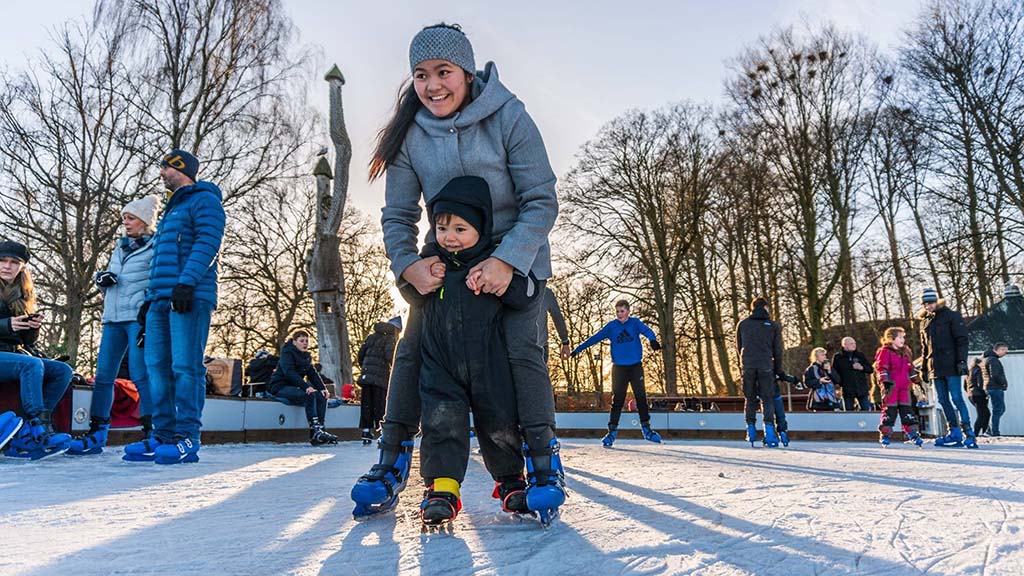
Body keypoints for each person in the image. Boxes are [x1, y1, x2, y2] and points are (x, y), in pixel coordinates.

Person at [352, 23, 561, 518]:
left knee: (521, 358)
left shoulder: (509, 117)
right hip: (442, 266)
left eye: (443, 71)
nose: (432, 85)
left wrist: (507, 260)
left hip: (515, 259)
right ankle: (392, 457)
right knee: (412, 353)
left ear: (465, 72)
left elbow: (540, 199)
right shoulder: (410, 135)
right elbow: (398, 215)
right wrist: (408, 266)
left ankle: (539, 461)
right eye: (420, 75)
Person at [123, 149, 226, 464]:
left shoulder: (204, 201)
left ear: (180, 168)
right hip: (160, 300)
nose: (161, 172)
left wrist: (187, 282)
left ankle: (187, 437)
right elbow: (160, 259)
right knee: (157, 368)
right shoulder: (170, 210)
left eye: (165, 166)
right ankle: (163, 435)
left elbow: (208, 242)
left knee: (185, 367)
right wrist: (150, 298)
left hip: (188, 297)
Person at [68, 196, 160, 456]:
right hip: (112, 318)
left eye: (130, 218)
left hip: (136, 318)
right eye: (124, 219)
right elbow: (112, 277)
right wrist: (102, 279)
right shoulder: (119, 248)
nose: (125, 223)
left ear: (144, 221)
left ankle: (151, 432)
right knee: (104, 376)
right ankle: (97, 432)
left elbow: (154, 282)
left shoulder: (155, 247)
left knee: (141, 375)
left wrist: (147, 309)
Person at [0, 240, 73, 459]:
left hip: (11, 355)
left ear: (22, 267)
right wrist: (7, 324)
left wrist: (33, 328)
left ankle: (24, 433)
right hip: (10, 358)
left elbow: (27, 341)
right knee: (31, 364)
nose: (7, 266)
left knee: (62, 371)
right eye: (2, 260)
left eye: (14, 262)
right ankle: (38, 431)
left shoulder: (24, 294)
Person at [572, 299, 662, 447]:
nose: (619, 314)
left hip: (635, 367)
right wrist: (578, 349)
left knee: (641, 397)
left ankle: (647, 430)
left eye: (622, 311)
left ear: (628, 311)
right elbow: (595, 338)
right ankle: (612, 432)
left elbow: (647, 330)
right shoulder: (612, 327)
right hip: (619, 368)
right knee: (617, 400)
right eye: (617, 311)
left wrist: (652, 340)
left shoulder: (635, 323)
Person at [918, 288, 976, 448]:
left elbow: (962, 340)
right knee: (943, 400)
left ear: (937, 301)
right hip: (935, 367)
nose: (928, 306)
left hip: (952, 365)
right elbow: (925, 348)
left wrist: (961, 361)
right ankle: (954, 433)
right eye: (925, 304)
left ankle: (969, 433)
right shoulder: (925, 321)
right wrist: (924, 368)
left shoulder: (952, 316)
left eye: (930, 303)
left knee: (957, 398)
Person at [267, 330, 338, 446]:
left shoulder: (306, 357)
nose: (305, 343)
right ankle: (315, 431)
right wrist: (305, 387)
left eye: (306, 341)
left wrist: (322, 388)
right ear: (294, 342)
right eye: (301, 341)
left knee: (321, 396)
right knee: (309, 394)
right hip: (279, 386)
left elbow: (312, 373)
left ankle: (320, 429)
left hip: (294, 386)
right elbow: (289, 373)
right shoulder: (287, 354)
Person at [736, 296, 784, 447]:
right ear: (765, 307)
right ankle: (769, 432)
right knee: (767, 398)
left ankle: (750, 429)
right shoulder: (773, 326)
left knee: (750, 398)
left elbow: (739, 347)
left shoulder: (743, 324)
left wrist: (744, 363)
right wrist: (779, 370)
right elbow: (778, 351)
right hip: (765, 365)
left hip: (748, 365)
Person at [873, 327, 925, 447]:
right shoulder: (885, 351)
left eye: (903, 337)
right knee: (890, 410)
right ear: (891, 339)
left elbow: (910, 368)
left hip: (905, 387)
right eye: (900, 337)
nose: (903, 339)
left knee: (907, 410)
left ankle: (912, 432)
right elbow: (881, 368)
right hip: (891, 386)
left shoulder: (906, 352)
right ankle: (885, 433)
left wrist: (916, 380)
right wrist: (885, 380)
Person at [356, 318, 401, 444]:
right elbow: (391, 357)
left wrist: (365, 368)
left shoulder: (371, 337)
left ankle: (366, 430)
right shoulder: (390, 339)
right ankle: (382, 431)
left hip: (366, 376)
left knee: (366, 404)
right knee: (379, 404)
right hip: (380, 377)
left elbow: (361, 354)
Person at [832, 337, 874, 411]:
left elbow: (870, 369)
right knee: (848, 412)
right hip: (847, 389)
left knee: (866, 410)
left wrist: (862, 367)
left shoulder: (860, 355)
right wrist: (838, 384)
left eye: (854, 343)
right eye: (851, 343)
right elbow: (835, 372)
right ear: (845, 345)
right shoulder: (838, 357)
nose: (854, 345)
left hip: (861, 388)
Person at [982, 342, 1010, 437]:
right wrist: (1003, 382)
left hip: (990, 387)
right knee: (998, 410)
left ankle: (990, 430)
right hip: (995, 387)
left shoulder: (987, 359)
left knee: (1000, 409)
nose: (1005, 353)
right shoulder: (993, 360)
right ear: (998, 349)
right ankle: (994, 432)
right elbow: (994, 375)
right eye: (1004, 351)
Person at [541, 287, 571, 363]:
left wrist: (565, 341)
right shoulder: (545, 292)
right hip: (539, 346)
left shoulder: (511, 286)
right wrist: (565, 342)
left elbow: (557, 317)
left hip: (514, 344)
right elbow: (557, 317)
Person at [965, 357, 989, 437]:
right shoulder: (979, 370)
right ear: (979, 363)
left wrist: (970, 392)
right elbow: (980, 383)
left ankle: (980, 431)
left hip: (971, 395)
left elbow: (965, 386)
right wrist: (985, 392)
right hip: (979, 395)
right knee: (984, 414)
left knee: (983, 413)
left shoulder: (968, 372)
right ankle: (978, 432)